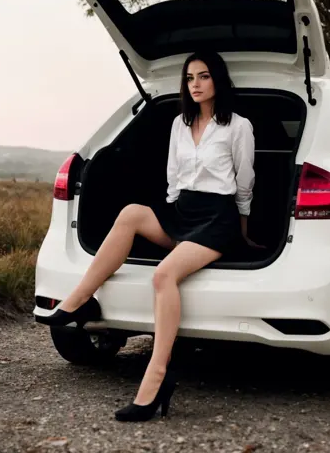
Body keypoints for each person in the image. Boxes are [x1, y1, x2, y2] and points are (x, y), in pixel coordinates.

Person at [36, 50, 260, 422]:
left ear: (218, 80)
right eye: (190, 78)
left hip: (217, 219)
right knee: (131, 214)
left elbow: (244, 183)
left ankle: (157, 376)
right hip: (183, 211)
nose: (196, 84)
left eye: (204, 76)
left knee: (163, 275)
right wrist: (171, 216)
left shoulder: (239, 127)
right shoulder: (179, 124)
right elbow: (174, 177)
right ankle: (80, 299)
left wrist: (243, 230)